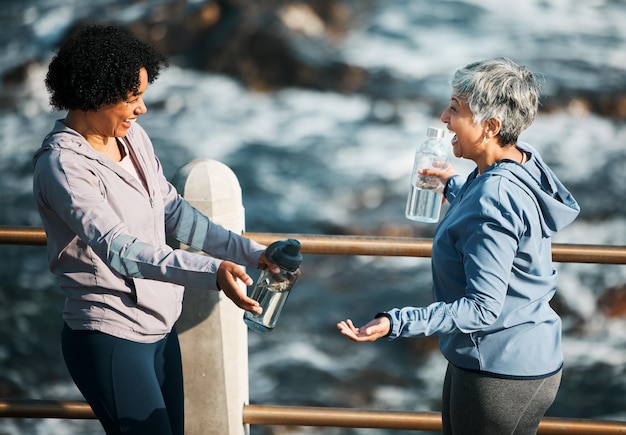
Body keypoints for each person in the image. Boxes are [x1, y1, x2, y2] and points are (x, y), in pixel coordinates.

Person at [33, 24, 278, 435]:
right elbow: (119, 250)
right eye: (132, 99)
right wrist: (212, 273)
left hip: (162, 332)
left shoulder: (132, 137)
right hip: (111, 337)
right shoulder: (64, 167)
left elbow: (174, 212)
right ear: (94, 94)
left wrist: (251, 253)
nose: (141, 109)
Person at [337, 58, 580, 434]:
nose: (444, 118)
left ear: (491, 126)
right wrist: (456, 187)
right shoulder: (520, 160)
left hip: (499, 371)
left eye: (455, 108)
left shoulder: (493, 199)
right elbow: (498, 208)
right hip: (515, 355)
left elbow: (482, 309)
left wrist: (396, 322)